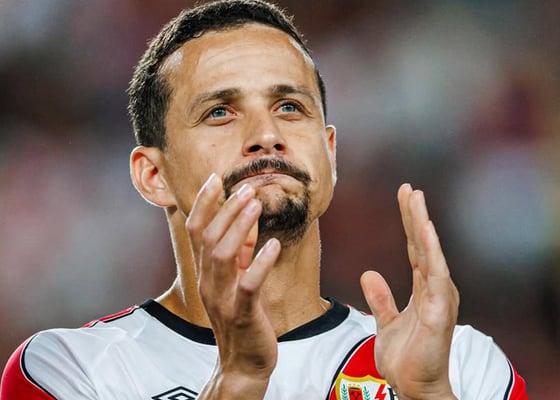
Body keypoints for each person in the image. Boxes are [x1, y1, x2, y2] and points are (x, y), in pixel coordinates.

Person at [0, 1, 528, 399]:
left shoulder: (461, 364)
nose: (267, 135)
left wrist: (429, 394)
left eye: (290, 107)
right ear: (153, 175)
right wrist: (238, 378)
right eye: (220, 112)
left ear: (330, 154)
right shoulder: (72, 370)